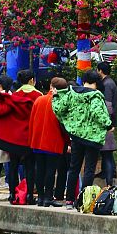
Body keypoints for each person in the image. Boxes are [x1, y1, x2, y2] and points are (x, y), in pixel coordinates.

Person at [53, 70, 113, 206]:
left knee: (74, 168)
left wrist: (56, 98)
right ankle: (82, 200)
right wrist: (109, 125)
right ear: (97, 82)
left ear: (84, 80)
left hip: (75, 137)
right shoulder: (95, 95)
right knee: (89, 169)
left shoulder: (71, 93)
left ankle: (69, 199)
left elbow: (59, 109)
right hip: (92, 139)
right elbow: (98, 113)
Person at [0, 75, 38, 204]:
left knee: (11, 166)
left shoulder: (13, 97)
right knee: (30, 167)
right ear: (32, 80)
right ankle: (29, 195)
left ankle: (12, 194)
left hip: (10, 138)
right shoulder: (37, 95)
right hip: (28, 137)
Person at [29, 77, 70, 207]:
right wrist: (67, 142)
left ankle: (40, 197)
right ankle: (48, 197)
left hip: (37, 141)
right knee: (51, 170)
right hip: (53, 142)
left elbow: (32, 121)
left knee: (39, 169)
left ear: (51, 86)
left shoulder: (39, 100)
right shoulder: (61, 102)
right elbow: (64, 125)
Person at [97, 62, 117, 187]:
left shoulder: (107, 84)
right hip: (109, 123)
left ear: (100, 71)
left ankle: (109, 180)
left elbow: (108, 106)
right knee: (107, 153)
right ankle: (105, 172)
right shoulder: (110, 83)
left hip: (106, 124)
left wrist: (107, 122)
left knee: (107, 154)